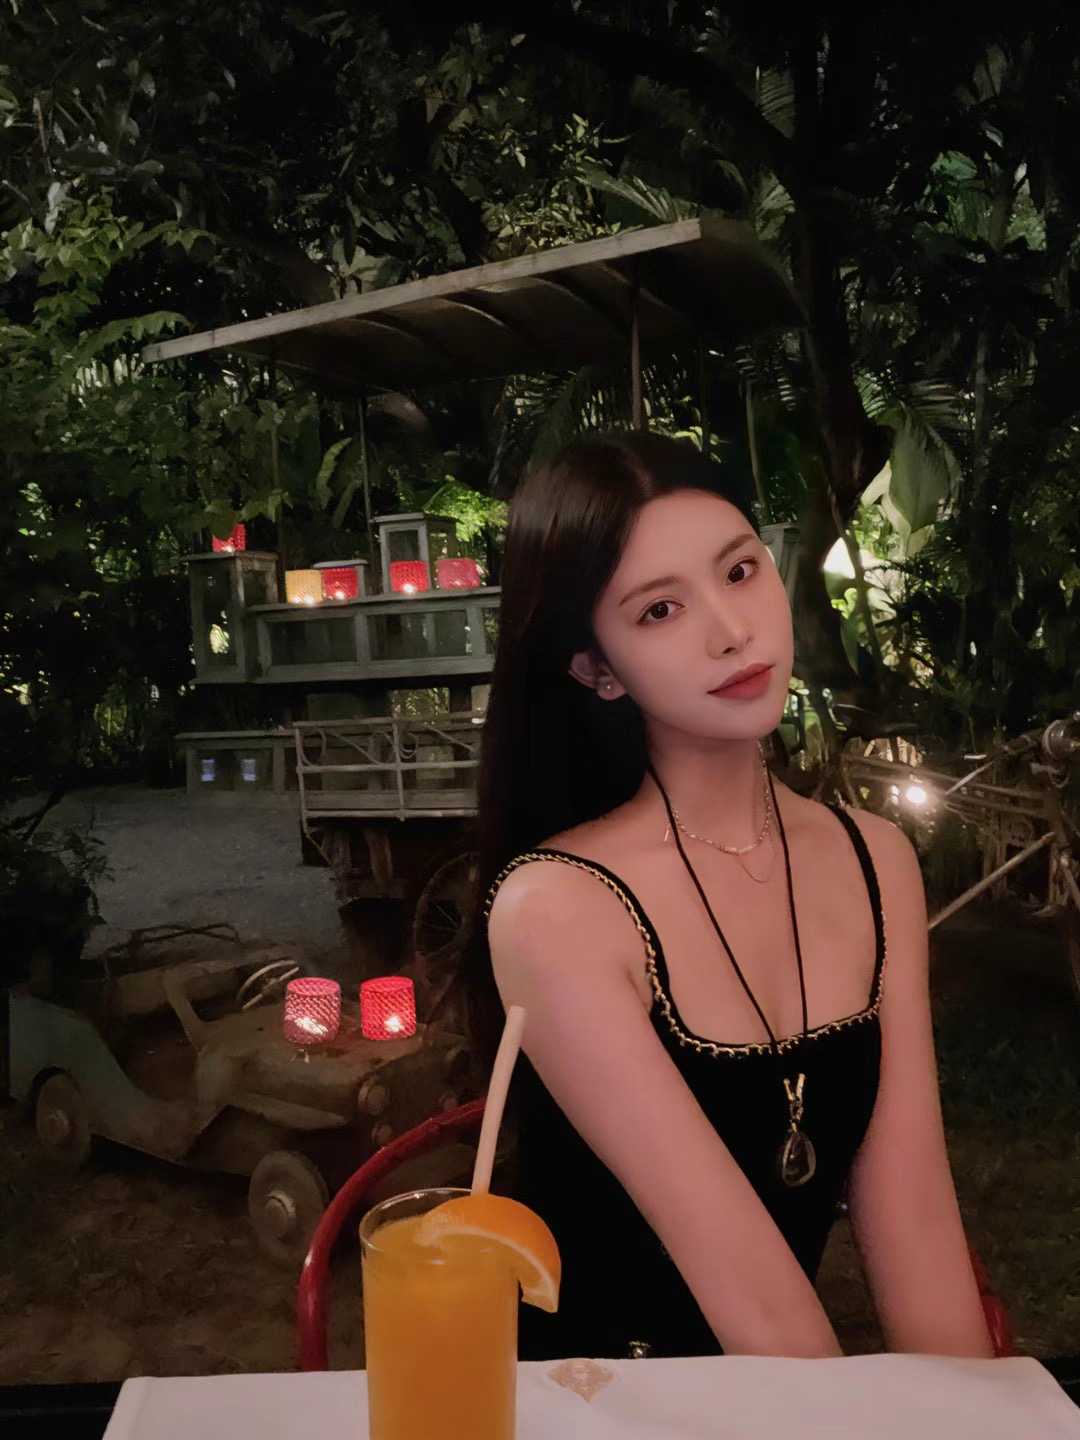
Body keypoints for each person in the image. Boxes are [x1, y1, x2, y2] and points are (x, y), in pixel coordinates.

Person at [467, 431, 995, 1362]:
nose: (731, 630)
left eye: (740, 571)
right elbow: (762, 1309)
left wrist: (968, 1403)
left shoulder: (877, 861)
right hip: (594, 1403)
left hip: (779, 1394)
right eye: (660, 609)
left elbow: (914, 1219)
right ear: (597, 669)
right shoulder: (557, 908)